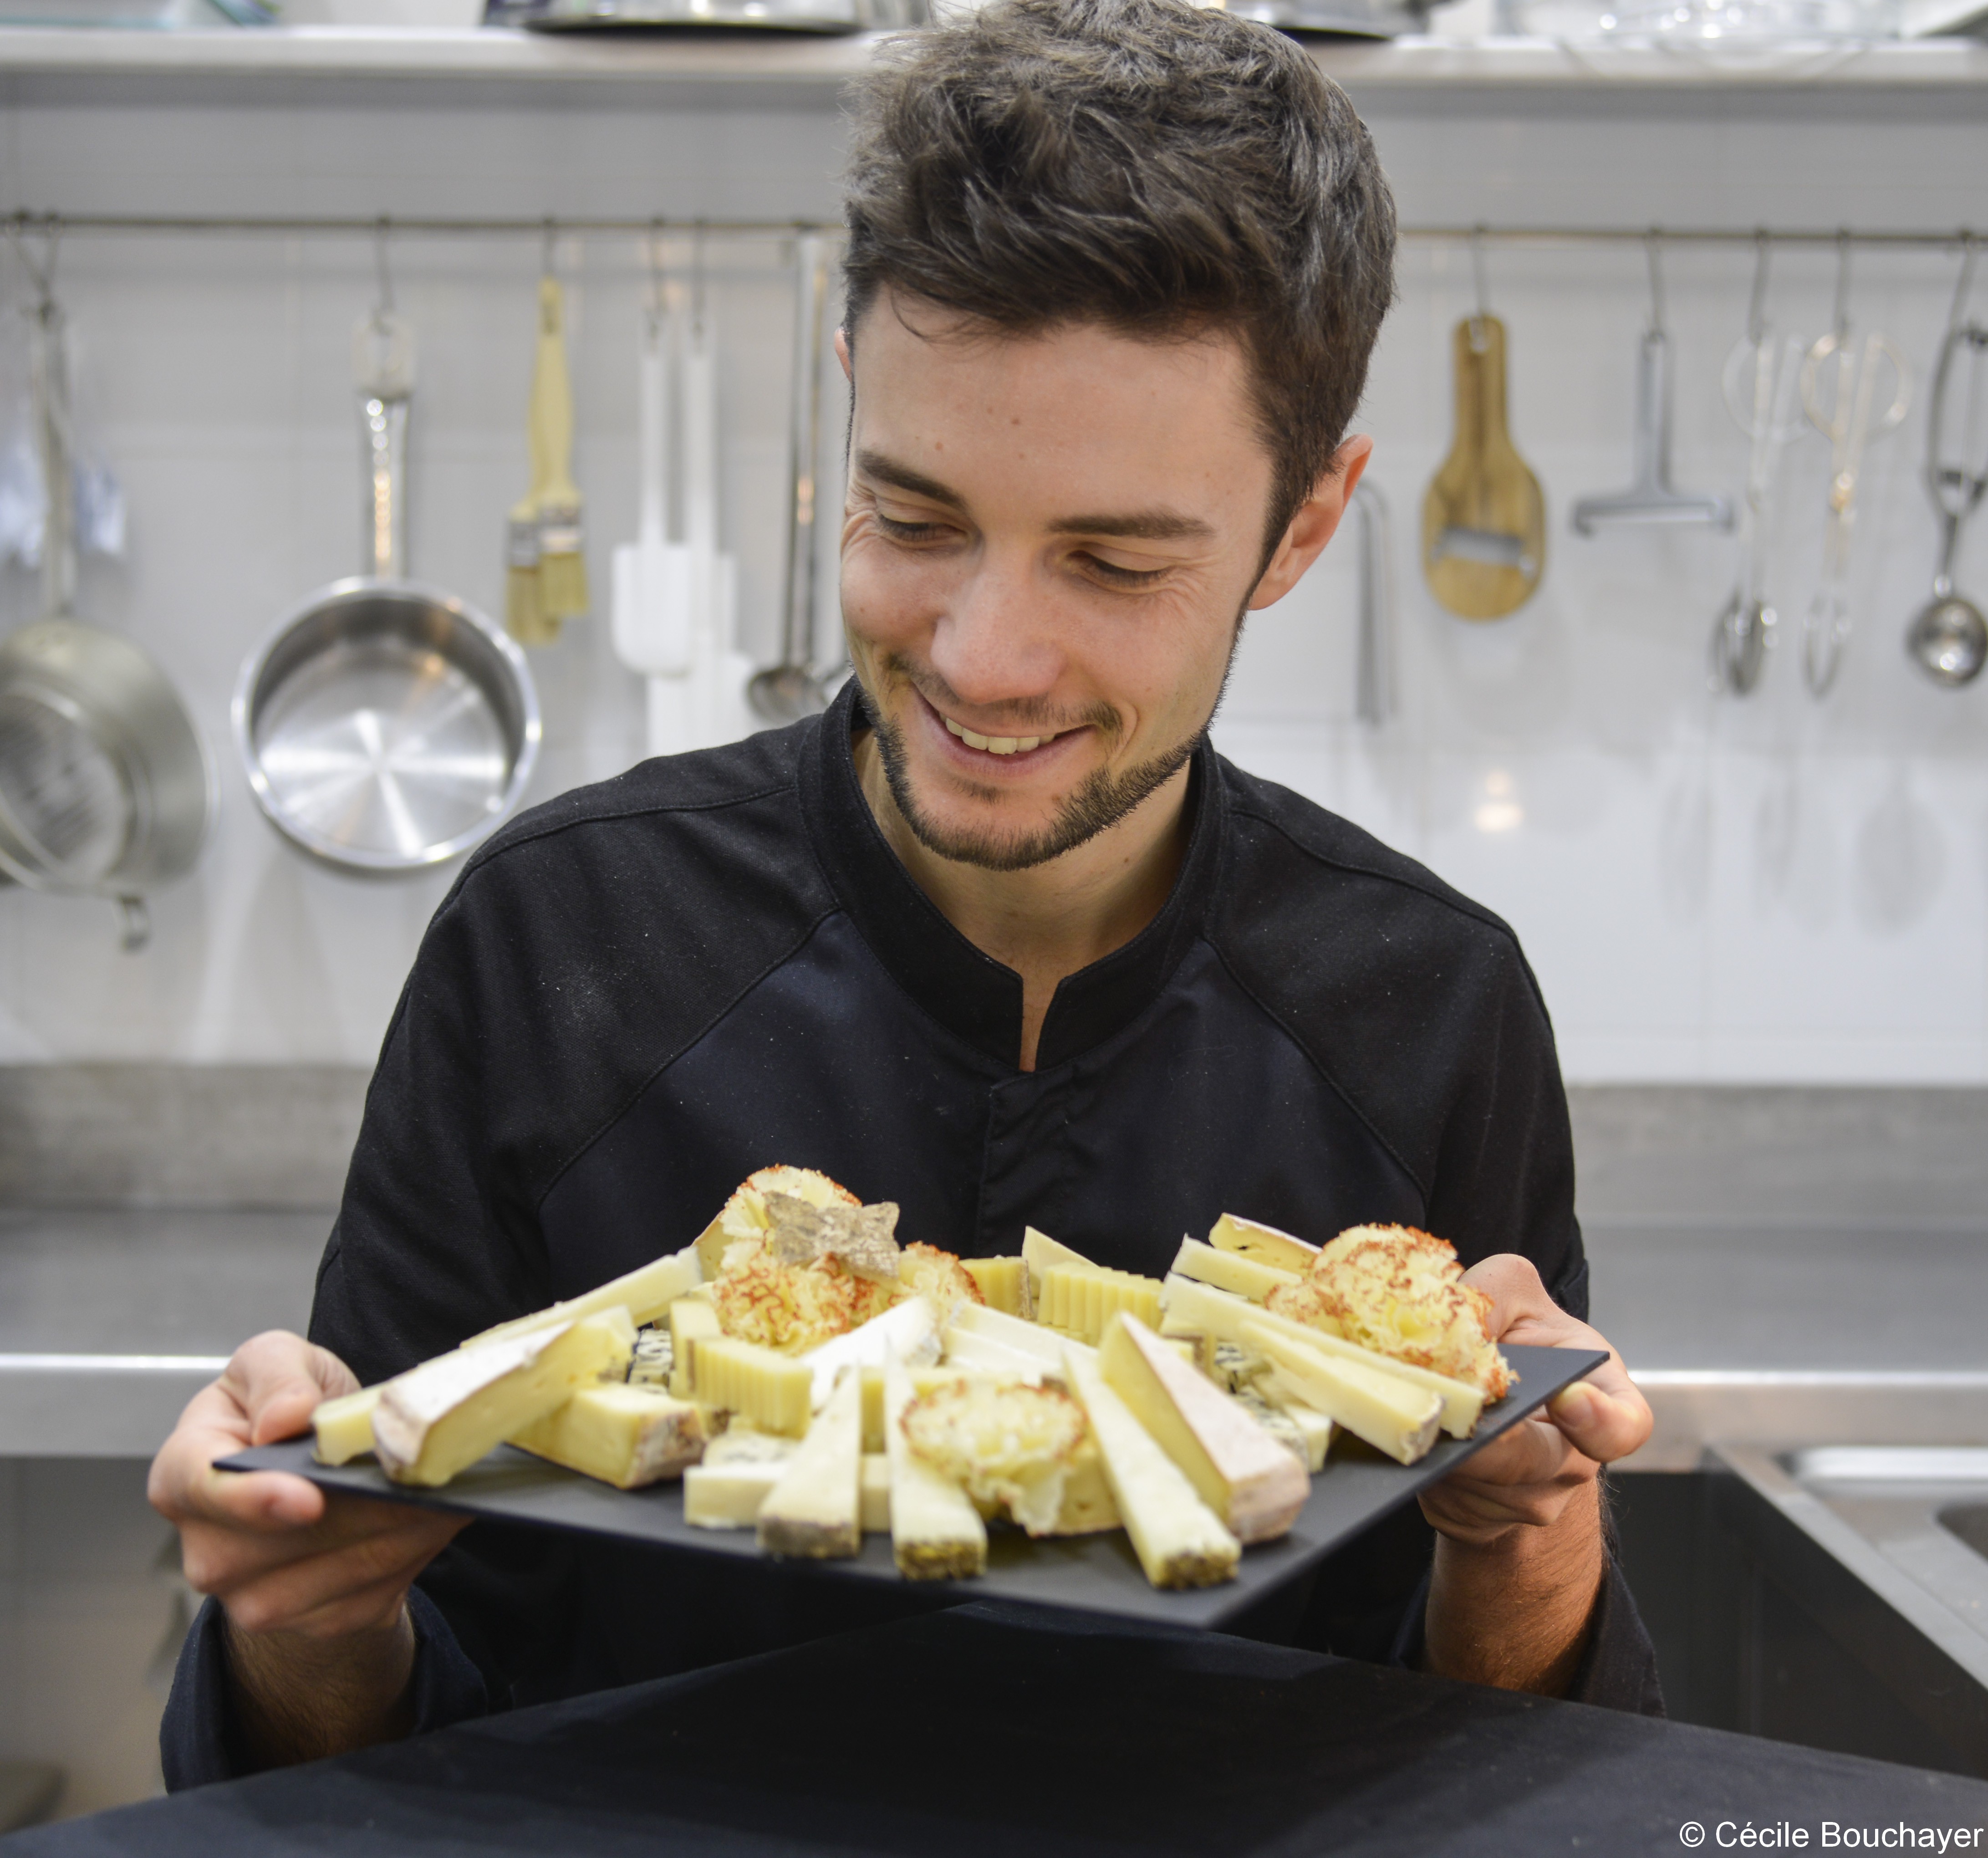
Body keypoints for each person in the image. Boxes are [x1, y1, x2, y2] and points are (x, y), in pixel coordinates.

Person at [150, 0, 1659, 1786]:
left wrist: (1532, 1535)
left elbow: (1499, 1768)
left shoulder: (1427, 1008)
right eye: (916, 519)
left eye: (1110, 559)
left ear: (1304, 529)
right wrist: (306, 1613)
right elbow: (335, 1765)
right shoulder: (559, 942)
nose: (986, 657)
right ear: (850, 400)